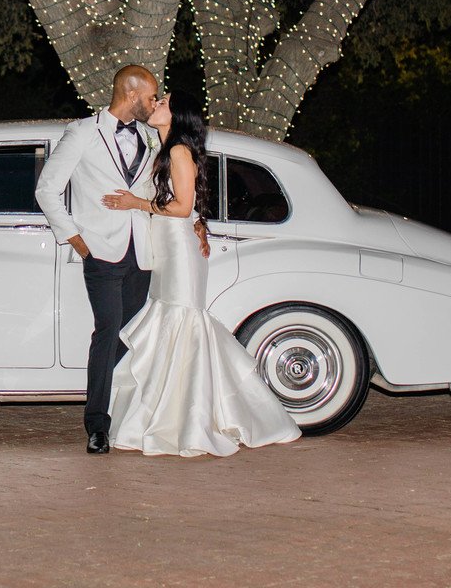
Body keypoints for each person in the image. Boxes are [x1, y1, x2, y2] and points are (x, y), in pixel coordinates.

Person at [100, 90, 301, 457]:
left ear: (177, 116)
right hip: (170, 242)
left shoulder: (177, 151)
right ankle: (170, 412)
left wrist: (136, 204)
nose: (157, 104)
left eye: (164, 102)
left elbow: (181, 207)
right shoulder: (164, 149)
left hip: (178, 245)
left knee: (182, 318)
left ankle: (191, 418)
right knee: (169, 318)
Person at [34, 64, 160, 455]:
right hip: (101, 251)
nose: (155, 103)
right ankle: (97, 424)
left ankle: (124, 413)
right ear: (131, 94)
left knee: (131, 334)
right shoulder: (83, 133)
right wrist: (78, 240)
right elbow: (47, 190)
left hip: (142, 251)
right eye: (151, 96)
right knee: (107, 331)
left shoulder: (151, 136)